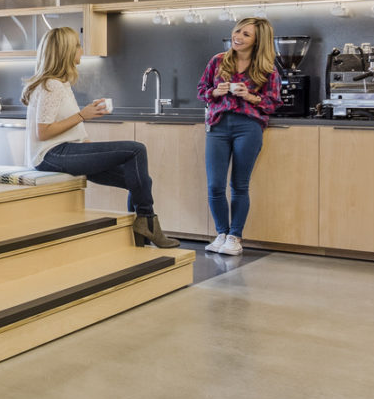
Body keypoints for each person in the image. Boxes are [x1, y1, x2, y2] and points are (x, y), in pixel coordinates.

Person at [25, 27, 179, 248]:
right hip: (51, 155)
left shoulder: (61, 84)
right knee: (136, 150)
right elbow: (43, 131)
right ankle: (148, 223)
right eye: (78, 45)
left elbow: (69, 128)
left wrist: (87, 142)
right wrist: (82, 115)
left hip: (64, 151)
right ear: (66, 51)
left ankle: (140, 233)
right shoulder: (52, 85)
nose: (81, 49)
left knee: (137, 180)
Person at [198, 17, 281, 256]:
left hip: (248, 127)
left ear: (258, 41)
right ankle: (221, 234)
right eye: (237, 32)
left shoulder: (267, 68)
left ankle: (235, 236)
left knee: (239, 185)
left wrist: (250, 96)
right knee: (215, 185)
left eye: (246, 34)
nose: (238, 37)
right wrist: (215, 91)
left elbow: (273, 103)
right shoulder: (218, 61)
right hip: (218, 126)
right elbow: (202, 90)